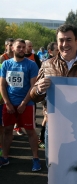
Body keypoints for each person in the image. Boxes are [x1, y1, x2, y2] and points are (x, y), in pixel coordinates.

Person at [29, 24, 77, 167]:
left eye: (68, 40)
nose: (64, 44)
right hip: (56, 126)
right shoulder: (47, 65)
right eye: (61, 40)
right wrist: (39, 90)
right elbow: (34, 96)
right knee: (56, 167)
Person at [0, 39, 40, 171]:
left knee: (30, 132)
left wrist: (23, 103)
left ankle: (35, 158)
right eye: (19, 47)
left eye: (24, 47)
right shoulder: (6, 64)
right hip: (10, 104)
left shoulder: (31, 65)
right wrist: (7, 103)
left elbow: (33, 86)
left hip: (27, 104)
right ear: (12, 48)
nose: (22, 49)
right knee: (7, 130)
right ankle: (5, 157)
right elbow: (2, 85)